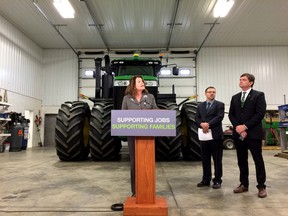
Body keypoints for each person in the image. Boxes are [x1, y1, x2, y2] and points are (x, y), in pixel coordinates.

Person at [228, 73, 267, 198]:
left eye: (243, 80)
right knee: (241, 160)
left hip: (253, 133)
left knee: (258, 160)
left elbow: (260, 113)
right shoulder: (235, 97)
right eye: (240, 79)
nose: (240, 81)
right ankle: (244, 184)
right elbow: (231, 114)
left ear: (251, 82)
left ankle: (261, 186)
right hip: (239, 134)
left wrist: (245, 126)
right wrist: (239, 128)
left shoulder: (258, 95)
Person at [121, 75, 158, 197]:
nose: (143, 82)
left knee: (148, 162)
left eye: (143, 81)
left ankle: (148, 189)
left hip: (149, 135)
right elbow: (122, 116)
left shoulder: (150, 97)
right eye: (139, 81)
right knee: (134, 162)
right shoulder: (126, 99)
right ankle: (135, 191)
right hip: (133, 135)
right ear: (133, 84)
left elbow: (156, 111)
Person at [195, 86, 225, 189]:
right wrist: (201, 124)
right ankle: (206, 179)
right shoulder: (200, 106)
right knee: (205, 159)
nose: (211, 93)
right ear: (205, 93)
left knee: (217, 159)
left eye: (213, 92)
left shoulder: (220, 105)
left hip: (215, 136)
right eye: (209, 92)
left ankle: (217, 180)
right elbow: (197, 118)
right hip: (204, 136)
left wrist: (207, 124)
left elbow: (219, 117)